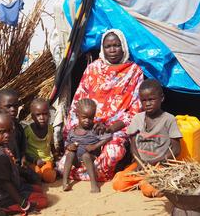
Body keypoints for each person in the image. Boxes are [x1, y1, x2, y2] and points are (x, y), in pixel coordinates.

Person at [57, 29, 144, 181]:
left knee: (113, 151)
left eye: (116, 45)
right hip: (87, 123)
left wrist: (110, 128)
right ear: (102, 49)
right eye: (108, 46)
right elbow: (78, 102)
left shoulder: (134, 72)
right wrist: (83, 126)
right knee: (62, 164)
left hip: (115, 127)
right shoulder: (93, 69)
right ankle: (89, 173)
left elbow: (136, 111)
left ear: (123, 46)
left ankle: (95, 173)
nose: (112, 50)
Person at [112, 79, 182, 192]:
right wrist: (139, 161)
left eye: (151, 99)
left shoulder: (169, 119)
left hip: (160, 165)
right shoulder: (137, 118)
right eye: (144, 100)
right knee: (118, 185)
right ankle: (143, 180)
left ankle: (148, 181)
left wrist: (155, 162)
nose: (147, 103)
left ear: (162, 98)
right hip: (141, 164)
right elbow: (133, 145)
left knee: (149, 189)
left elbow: (176, 149)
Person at [0, 107, 48, 215]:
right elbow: (5, 183)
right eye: (2, 132)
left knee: (38, 189)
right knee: (43, 201)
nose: (7, 135)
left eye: (9, 131)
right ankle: (3, 210)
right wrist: (24, 204)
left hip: (8, 190)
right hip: (2, 200)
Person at [63, 98, 112, 192]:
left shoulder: (95, 129)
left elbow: (108, 137)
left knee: (86, 156)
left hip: (91, 157)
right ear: (77, 115)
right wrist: (69, 146)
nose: (87, 121)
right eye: (84, 117)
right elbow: (67, 143)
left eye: (91, 118)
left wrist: (95, 146)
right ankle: (65, 182)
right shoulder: (72, 132)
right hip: (77, 160)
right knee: (70, 154)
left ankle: (94, 185)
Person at [24, 98, 57, 183]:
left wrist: (56, 157)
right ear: (32, 117)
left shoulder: (50, 128)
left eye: (45, 114)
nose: (42, 117)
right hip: (32, 161)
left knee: (49, 177)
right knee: (36, 176)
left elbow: (51, 144)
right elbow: (23, 149)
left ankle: (54, 171)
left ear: (49, 115)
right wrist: (35, 160)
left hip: (46, 160)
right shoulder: (28, 131)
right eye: (38, 115)